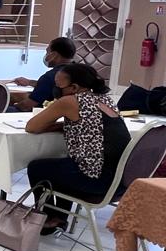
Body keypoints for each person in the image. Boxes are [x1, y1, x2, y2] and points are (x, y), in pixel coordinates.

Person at [25, 63, 130, 235]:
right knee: (62, 167)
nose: (55, 90)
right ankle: (60, 216)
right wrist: (62, 126)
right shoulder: (105, 99)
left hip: (97, 181)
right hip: (121, 181)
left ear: (74, 87)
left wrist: (53, 124)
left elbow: (31, 127)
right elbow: (91, 126)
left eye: (59, 86)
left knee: (37, 168)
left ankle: (49, 218)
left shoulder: (70, 100)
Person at [11, 37, 76, 111]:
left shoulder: (50, 76)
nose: (46, 55)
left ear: (54, 55)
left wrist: (15, 105)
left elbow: (27, 106)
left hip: (45, 114)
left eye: (47, 52)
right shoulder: (80, 71)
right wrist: (29, 82)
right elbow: (52, 86)